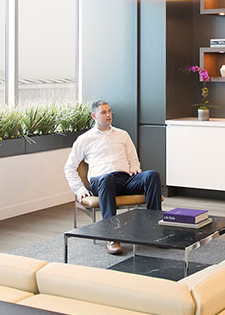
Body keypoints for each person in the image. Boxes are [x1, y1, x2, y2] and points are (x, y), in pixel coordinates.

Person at [64, 100, 162, 254]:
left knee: (152, 175)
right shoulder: (85, 139)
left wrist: (135, 169)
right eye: (103, 112)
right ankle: (111, 237)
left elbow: (134, 160)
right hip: (101, 182)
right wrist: (79, 189)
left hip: (124, 179)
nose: (108, 115)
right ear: (94, 116)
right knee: (107, 178)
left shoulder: (122, 135)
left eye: (109, 111)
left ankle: (153, 230)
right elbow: (69, 167)